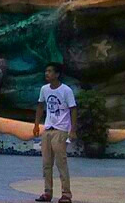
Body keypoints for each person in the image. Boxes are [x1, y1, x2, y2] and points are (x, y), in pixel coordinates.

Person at [32, 62, 77, 203]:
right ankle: (47, 192)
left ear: (57, 74)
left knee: (61, 162)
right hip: (48, 129)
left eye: (50, 71)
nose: (47, 73)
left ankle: (66, 194)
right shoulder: (44, 89)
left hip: (61, 130)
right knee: (46, 163)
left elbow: (73, 109)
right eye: (46, 71)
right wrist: (36, 125)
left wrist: (72, 130)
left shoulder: (66, 90)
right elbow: (40, 106)